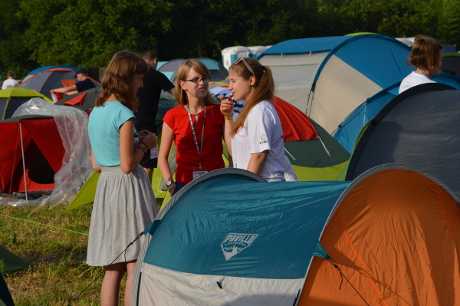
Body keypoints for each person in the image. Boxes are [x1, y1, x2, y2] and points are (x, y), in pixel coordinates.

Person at [87, 51, 159, 306]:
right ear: (126, 79)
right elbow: (128, 165)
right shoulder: (124, 114)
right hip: (128, 190)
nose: (141, 85)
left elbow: (97, 165)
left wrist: (134, 142)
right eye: (139, 78)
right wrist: (146, 144)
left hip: (107, 187)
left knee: (113, 262)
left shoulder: (96, 111)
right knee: (133, 261)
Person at [220, 57, 297, 182]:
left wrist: (247, 187)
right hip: (256, 186)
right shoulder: (250, 110)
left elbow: (259, 155)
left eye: (233, 81)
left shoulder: (260, 110)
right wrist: (228, 116)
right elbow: (232, 151)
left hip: (264, 187)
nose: (230, 87)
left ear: (251, 80)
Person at [158, 59, 226, 195]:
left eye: (204, 78)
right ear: (183, 85)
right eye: (195, 79)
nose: (202, 83)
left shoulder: (219, 112)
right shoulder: (172, 116)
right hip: (185, 185)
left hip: (217, 182)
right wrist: (170, 184)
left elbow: (232, 150)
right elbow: (162, 157)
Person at [134, 51, 176, 183]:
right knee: (148, 164)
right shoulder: (156, 75)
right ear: (155, 60)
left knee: (133, 160)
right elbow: (176, 93)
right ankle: (146, 196)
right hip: (147, 123)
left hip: (130, 121)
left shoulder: (132, 74)